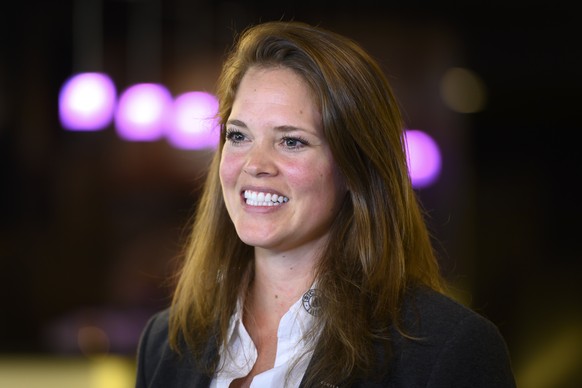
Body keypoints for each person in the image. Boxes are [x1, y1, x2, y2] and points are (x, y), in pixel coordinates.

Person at [135, 20, 516, 387]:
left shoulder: (449, 349)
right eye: (238, 136)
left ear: (355, 168)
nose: (255, 164)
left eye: (292, 141)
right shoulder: (166, 343)